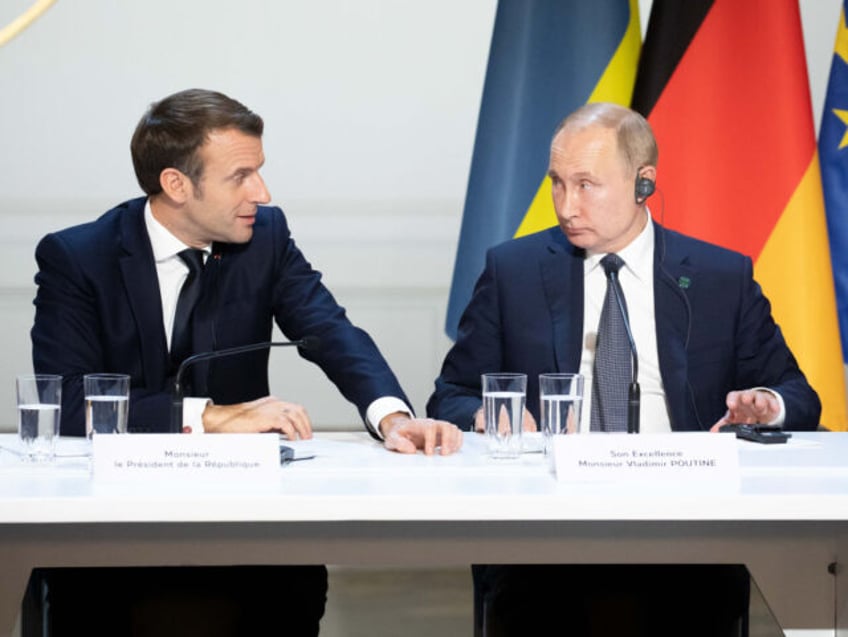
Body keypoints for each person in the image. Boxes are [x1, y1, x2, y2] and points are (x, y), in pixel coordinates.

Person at [28, 88, 462, 636]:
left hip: (246, 525)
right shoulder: (78, 257)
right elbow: (65, 401)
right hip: (113, 528)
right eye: (241, 176)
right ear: (176, 184)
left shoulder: (265, 238)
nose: (262, 191)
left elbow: (329, 330)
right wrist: (209, 417)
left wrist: (393, 417)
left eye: (260, 171)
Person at [426, 103, 821, 636]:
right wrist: (488, 415)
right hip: (548, 524)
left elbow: (798, 395)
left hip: (687, 525)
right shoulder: (513, 270)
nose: (567, 205)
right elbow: (451, 393)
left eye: (586, 185)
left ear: (643, 183)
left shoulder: (719, 276)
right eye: (558, 184)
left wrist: (766, 405)